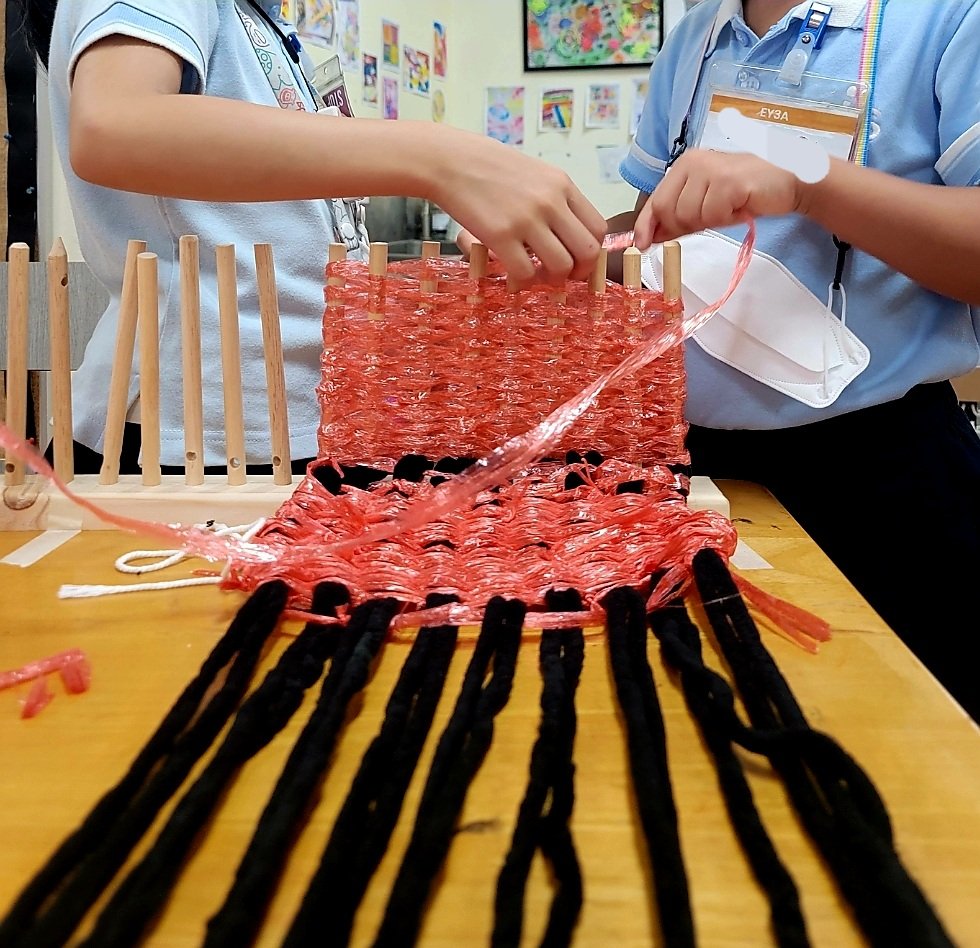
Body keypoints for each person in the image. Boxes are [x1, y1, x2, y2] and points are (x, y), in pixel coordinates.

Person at [13, 0, 606, 475]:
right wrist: (438, 159)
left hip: (289, 428)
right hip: (194, 444)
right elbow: (115, 124)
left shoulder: (259, 21)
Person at [607, 0, 980, 721]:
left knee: (908, 743)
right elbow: (657, 229)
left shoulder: (946, 18)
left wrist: (810, 181)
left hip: (887, 484)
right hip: (694, 479)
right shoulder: (694, 40)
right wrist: (570, 240)